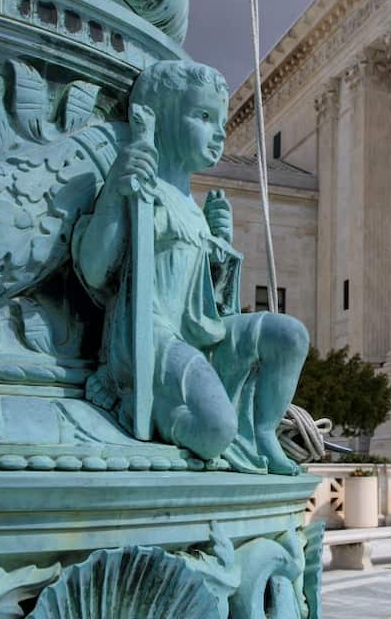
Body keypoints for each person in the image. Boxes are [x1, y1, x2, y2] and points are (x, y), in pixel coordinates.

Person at [74, 61, 309, 475]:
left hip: (201, 332)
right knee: (215, 429)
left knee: (290, 335)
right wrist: (114, 192)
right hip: (152, 336)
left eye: (220, 121)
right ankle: (151, 409)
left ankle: (262, 432)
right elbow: (95, 270)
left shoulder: (193, 208)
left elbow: (212, 301)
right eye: (203, 116)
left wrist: (220, 244)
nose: (219, 132)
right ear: (160, 118)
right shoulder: (140, 187)